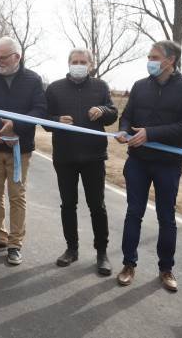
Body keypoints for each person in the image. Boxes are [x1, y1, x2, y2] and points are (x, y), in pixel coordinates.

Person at [115, 40, 182, 292]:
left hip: (168, 165)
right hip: (138, 162)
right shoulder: (140, 86)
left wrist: (151, 133)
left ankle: (166, 269)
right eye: (149, 56)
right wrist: (123, 131)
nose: (150, 61)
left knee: (167, 217)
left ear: (170, 60)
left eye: (154, 56)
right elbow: (127, 116)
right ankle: (128, 264)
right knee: (134, 213)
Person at [0, 36, 47, 266]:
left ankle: (15, 244)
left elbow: (39, 110)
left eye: (3, 57)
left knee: (17, 196)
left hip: (20, 148)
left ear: (17, 57)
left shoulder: (33, 80)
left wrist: (15, 127)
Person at [45, 48, 118, 276]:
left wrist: (103, 110)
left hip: (93, 157)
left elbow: (114, 113)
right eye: (75, 61)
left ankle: (102, 253)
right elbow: (43, 119)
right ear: (68, 63)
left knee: (97, 206)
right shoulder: (54, 88)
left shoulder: (100, 86)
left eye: (83, 61)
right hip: (65, 157)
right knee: (68, 205)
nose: (78, 64)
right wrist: (56, 120)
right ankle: (71, 249)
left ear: (90, 64)